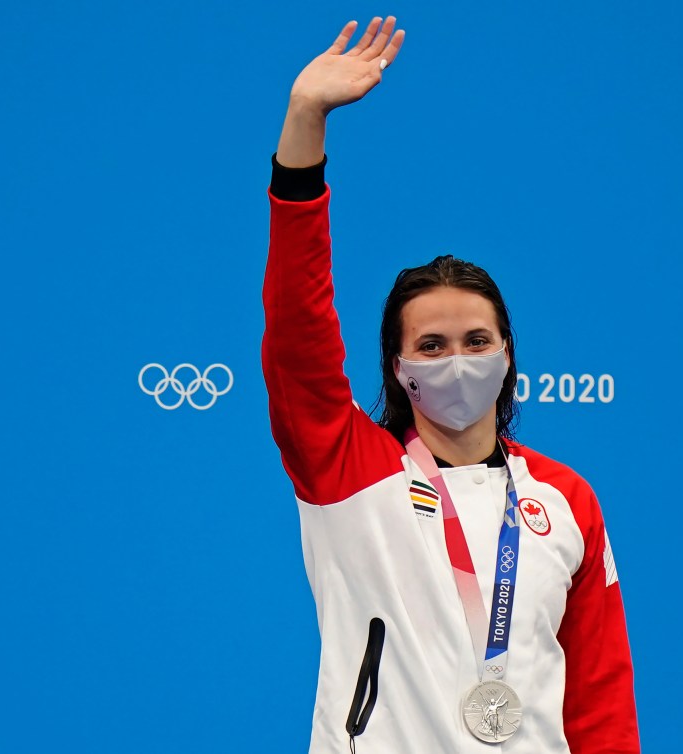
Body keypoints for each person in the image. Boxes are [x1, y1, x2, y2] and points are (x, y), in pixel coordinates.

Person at [262, 16, 640, 754]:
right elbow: (297, 331)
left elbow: (600, 697)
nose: (457, 361)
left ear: (508, 356)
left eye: (476, 341)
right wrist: (304, 128)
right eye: (431, 345)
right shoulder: (350, 470)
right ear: (398, 369)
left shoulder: (566, 500)